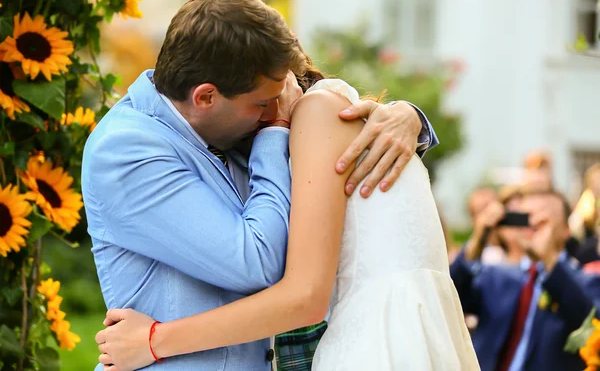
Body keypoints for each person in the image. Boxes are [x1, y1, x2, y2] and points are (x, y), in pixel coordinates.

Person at [84, 0, 440, 371]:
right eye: (260, 104)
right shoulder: (125, 150)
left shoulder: (228, 128)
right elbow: (255, 262)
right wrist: (276, 132)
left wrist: (409, 117)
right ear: (206, 97)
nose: (274, 110)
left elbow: (336, 157)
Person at [95, 72, 478, 370]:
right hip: (420, 329)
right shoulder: (340, 116)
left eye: (262, 102)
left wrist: (153, 341)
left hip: (378, 339)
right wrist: (411, 116)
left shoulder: (316, 113)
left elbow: (300, 295)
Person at [450, 189, 600, 371]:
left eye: (543, 220)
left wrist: (549, 260)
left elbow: (590, 326)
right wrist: (479, 238)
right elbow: (450, 298)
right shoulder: (498, 276)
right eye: (525, 218)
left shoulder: (586, 282)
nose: (531, 226)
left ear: (566, 230)